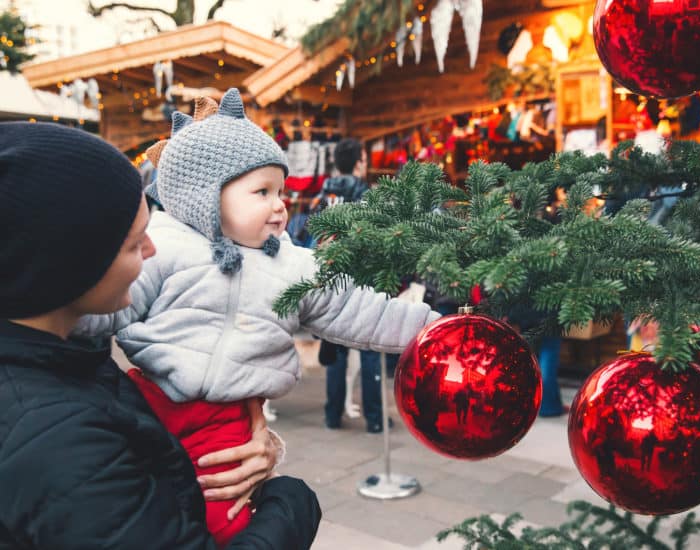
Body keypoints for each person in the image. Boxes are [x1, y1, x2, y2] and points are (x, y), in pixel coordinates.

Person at [72, 89, 438, 542]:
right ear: (205, 196)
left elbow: (354, 307)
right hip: (153, 401)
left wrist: (432, 329)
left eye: (280, 191)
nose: (279, 204)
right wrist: (67, 318)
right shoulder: (165, 246)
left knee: (223, 511)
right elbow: (113, 302)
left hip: (229, 419)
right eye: (261, 191)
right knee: (139, 504)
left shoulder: (290, 265)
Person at [0, 121, 321, 549]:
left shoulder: (66, 359)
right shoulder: (58, 440)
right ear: (71, 263)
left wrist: (253, 445)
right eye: (135, 243)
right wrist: (291, 499)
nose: (152, 250)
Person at [313, 138, 401, 433]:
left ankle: (332, 414)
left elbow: (315, 235)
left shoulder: (326, 193)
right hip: (363, 280)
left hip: (334, 279)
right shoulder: (366, 194)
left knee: (336, 348)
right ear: (360, 161)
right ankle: (375, 419)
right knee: (368, 350)